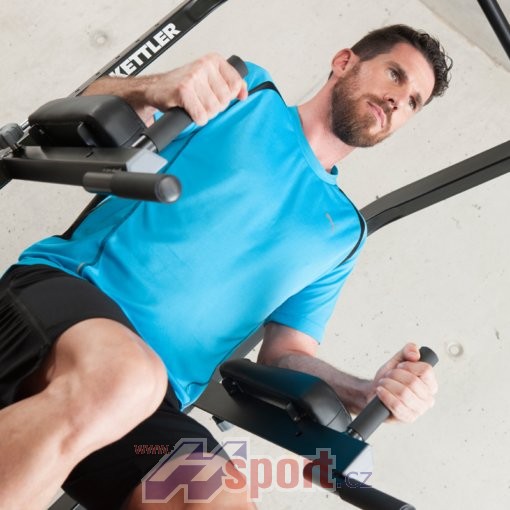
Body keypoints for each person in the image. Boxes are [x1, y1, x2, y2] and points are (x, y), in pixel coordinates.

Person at [0, 24, 451, 510]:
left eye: (414, 102)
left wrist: (365, 390)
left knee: (221, 498)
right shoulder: (246, 93)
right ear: (344, 62)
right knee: (126, 376)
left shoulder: (344, 233)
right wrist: (152, 87)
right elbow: (88, 102)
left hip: (154, 401)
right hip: (63, 300)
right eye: (395, 75)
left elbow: (285, 355)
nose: (398, 101)